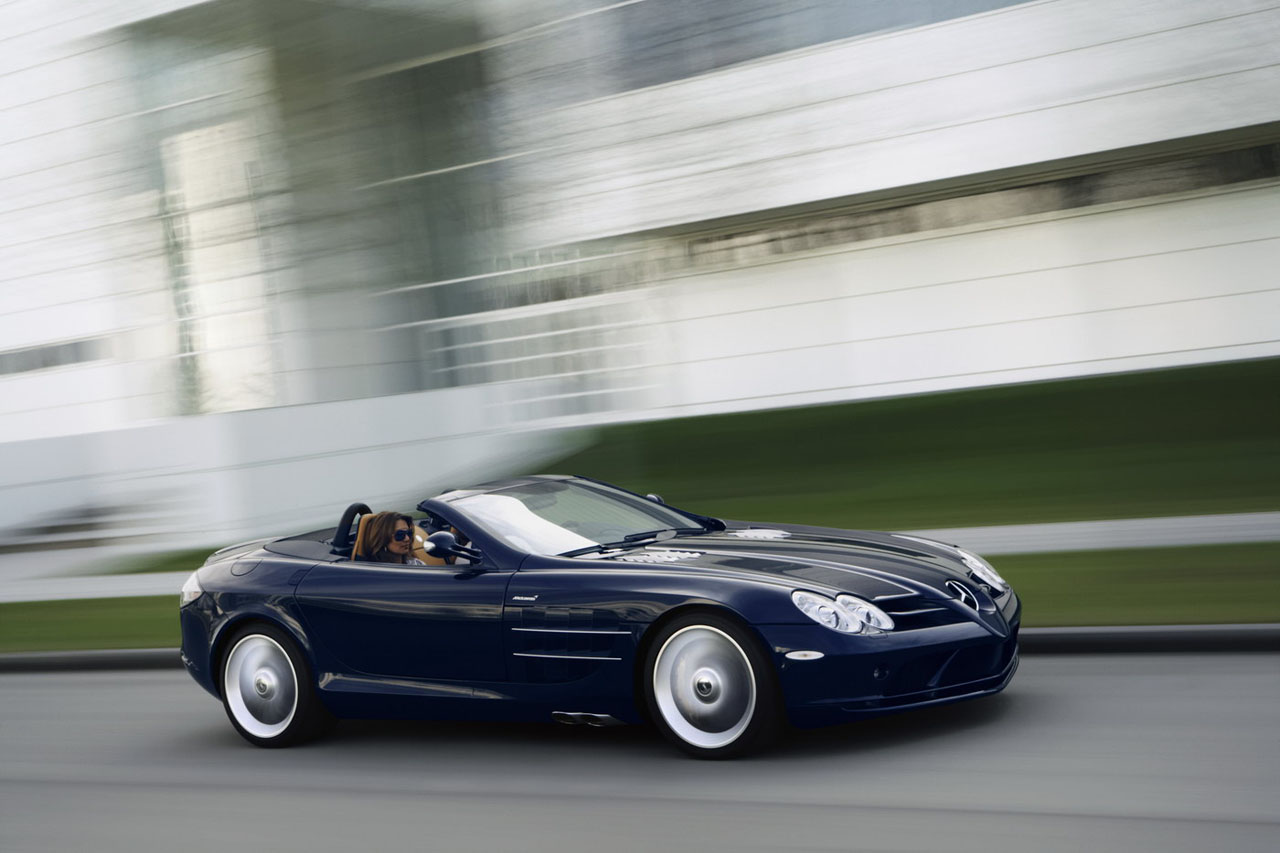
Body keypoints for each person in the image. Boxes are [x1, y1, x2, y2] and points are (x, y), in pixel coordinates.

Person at [357, 511, 425, 565]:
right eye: (400, 534)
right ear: (383, 539)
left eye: (409, 533)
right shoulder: (379, 572)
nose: (407, 539)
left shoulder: (415, 563)